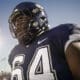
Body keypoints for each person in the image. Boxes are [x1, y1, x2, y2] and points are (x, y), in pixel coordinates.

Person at [8, 2, 80, 80]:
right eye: (15, 22)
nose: (17, 24)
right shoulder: (14, 52)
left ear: (38, 16)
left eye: (21, 18)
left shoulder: (60, 33)